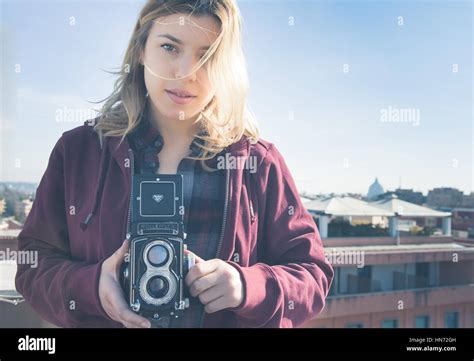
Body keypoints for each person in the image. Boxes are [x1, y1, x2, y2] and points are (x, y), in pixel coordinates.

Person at [15, 0, 333, 328]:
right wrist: (92, 287)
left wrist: (246, 286)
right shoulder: (78, 151)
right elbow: (33, 264)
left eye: (208, 56)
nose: (186, 73)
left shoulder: (258, 164)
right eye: (170, 47)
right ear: (141, 49)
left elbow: (312, 275)